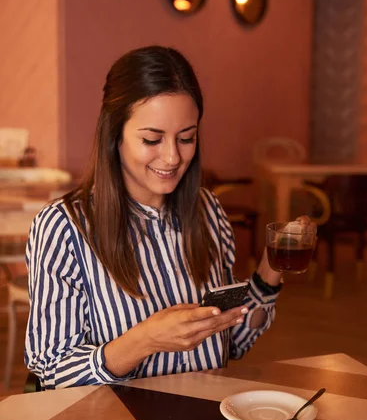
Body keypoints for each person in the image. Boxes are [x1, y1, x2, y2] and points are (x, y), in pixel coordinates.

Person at [25, 46, 311, 390]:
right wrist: (144, 340)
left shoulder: (208, 211)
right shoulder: (63, 228)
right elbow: (52, 371)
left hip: (203, 414)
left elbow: (230, 344)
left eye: (186, 138)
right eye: (151, 139)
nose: (173, 156)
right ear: (114, 136)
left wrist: (271, 268)